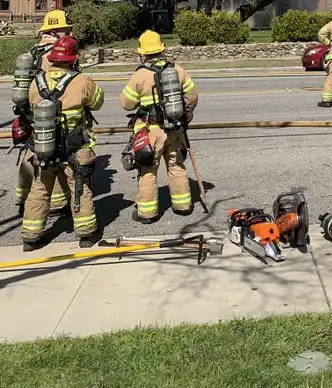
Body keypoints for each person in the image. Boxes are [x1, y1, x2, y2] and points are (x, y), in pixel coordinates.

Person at [21, 35, 103, 251]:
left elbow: (30, 105)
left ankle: (31, 237)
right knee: (79, 188)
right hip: (74, 147)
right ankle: (86, 234)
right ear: (73, 58)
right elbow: (97, 103)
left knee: (39, 189)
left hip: (42, 146)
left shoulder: (36, 81)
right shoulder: (82, 81)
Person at [120, 31, 199, 223]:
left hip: (150, 131)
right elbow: (192, 96)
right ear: (162, 48)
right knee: (176, 166)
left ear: (143, 53)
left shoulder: (140, 74)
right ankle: (183, 207)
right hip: (175, 129)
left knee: (147, 170)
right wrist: (186, 114)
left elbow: (127, 103)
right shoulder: (178, 70)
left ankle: (147, 213)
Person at [14, 10, 73, 215]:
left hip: (30, 112)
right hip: (48, 113)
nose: (68, 33)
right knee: (53, 157)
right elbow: (61, 86)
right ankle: (56, 204)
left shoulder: (33, 52)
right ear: (56, 31)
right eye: (65, 29)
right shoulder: (52, 55)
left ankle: (22, 198)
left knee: (31, 153)